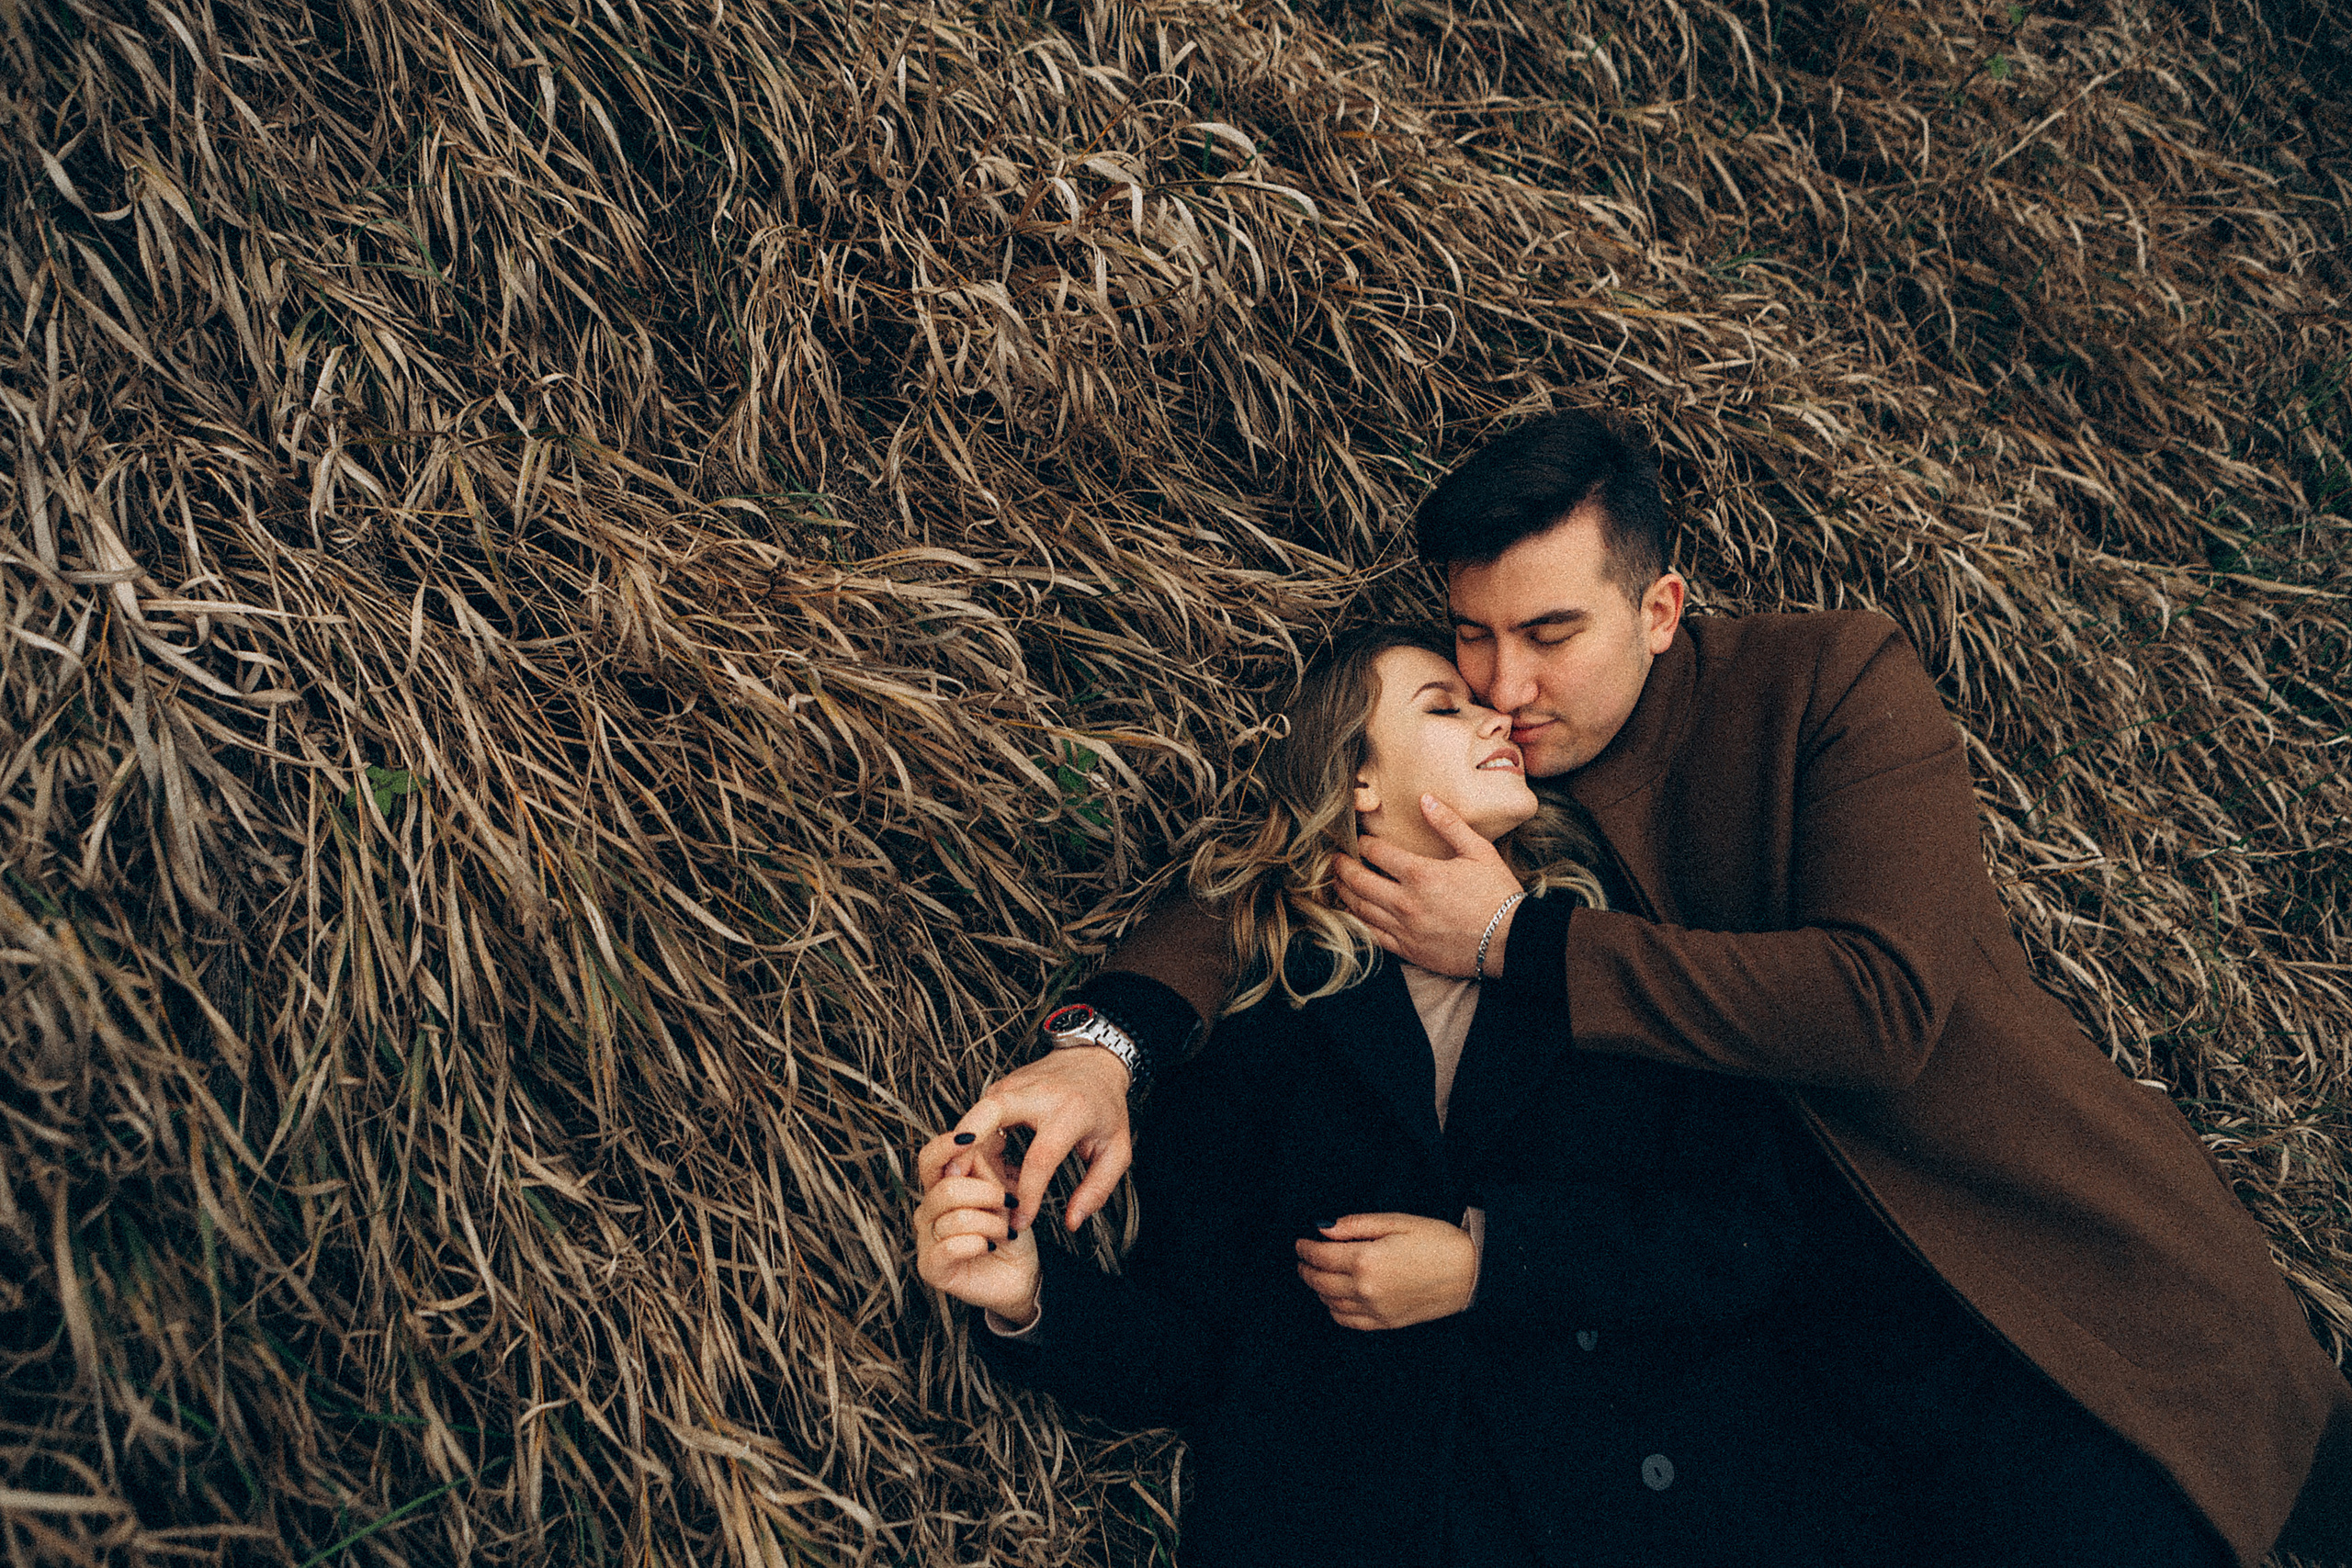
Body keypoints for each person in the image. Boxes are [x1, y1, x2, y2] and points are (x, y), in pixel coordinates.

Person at [954, 412, 2352, 1567]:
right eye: (1471, 640)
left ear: (1662, 606)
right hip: (1820, 1378)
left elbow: (1881, 1004)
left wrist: (1517, 945)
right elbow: (1297, 854)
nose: (1504, 686)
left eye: (1549, 632)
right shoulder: (1514, 782)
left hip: (2044, 1298)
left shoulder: (1825, 687)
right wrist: (1105, 1046)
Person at [917, 626, 1871, 1566]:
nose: (1497, 714)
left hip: (1627, 1514)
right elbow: (1209, 1356)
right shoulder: (1257, 1024)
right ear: (1357, 780)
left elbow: (1746, 1243)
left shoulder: (1604, 963)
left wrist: (1487, 1262)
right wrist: (1033, 1297)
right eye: (1444, 706)